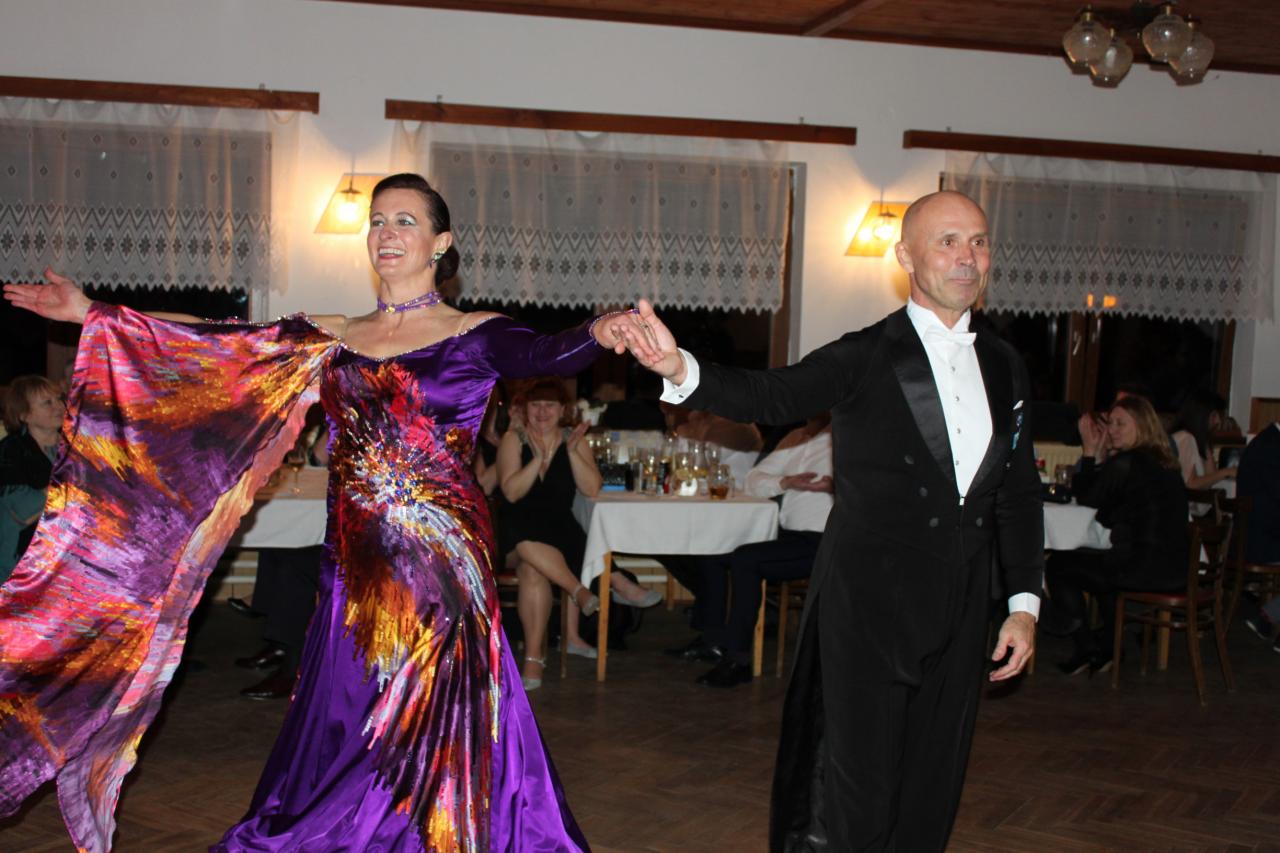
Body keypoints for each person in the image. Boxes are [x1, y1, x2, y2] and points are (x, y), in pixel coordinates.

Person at [0, 173, 649, 852]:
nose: (387, 233)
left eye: (405, 221)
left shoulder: (473, 332)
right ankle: (357, 827)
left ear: (441, 242)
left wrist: (601, 330)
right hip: (354, 564)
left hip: (440, 566)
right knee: (352, 707)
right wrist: (94, 311)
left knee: (432, 709)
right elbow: (217, 341)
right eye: (378, 220)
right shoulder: (334, 335)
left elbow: (548, 352)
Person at [617, 190, 1044, 851]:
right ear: (906, 257)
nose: (968, 256)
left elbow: (1016, 491)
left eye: (979, 242)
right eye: (948, 241)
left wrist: (1023, 605)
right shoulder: (867, 353)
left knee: (934, 780)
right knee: (854, 787)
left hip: (962, 609)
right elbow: (773, 393)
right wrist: (682, 369)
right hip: (871, 604)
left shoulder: (1005, 363)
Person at [674, 414, 833, 688]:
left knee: (745, 560)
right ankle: (713, 641)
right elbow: (752, 480)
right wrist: (786, 482)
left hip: (825, 540)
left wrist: (839, 487)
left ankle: (738, 660)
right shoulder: (795, 438)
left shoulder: (845, 440)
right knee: (712, 551)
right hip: (786, 534)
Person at [1046, 396, 1189, 675]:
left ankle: (1086, 647)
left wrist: (1090, 452)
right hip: (1174, 568)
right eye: (1110, 423)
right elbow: (1113, 508)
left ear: (1143, 426)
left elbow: (1088, 498)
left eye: (1121, 423)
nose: (1112, 429)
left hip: (1142, 569)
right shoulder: (1165, 463)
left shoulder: (1127, 462)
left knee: (1058, 565)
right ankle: (1109, 648)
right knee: (1101, 563)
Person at [0, 375, 64, 584]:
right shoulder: (11, 451)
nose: (59, 406)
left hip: (69, 554)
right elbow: (20, 508)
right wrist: (69, 487)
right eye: (47, 403)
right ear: (24, 414)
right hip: (22, 560)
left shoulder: (75, 444)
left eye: (59, 399)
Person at [1238, 420, 1280, 652]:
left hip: (1259, 534)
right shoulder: (1271, 448)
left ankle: (1267, 618)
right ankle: (1268, 618)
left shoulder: (1267, 441)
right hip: (1262, 541)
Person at [1170, 389, 1236, 490]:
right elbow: (1190, 484)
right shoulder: (1185, 438)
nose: (1218, 421)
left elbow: (1211, 477)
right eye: (1214, 416)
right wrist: (1226, 472)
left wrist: (1206, 443)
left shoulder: (1199, 440)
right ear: (1201, 415)